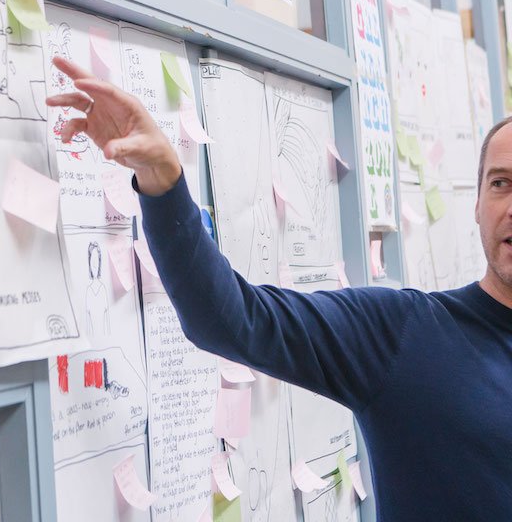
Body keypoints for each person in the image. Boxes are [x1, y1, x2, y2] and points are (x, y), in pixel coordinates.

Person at [46, 55, 512, 521]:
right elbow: (232, 319)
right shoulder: (408, 337)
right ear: (476, 204)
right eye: (500, 184)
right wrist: (161, 179)